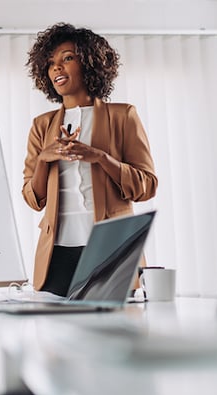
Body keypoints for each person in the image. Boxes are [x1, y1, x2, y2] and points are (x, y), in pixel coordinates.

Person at [22, 22, 158, 297]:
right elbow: (33, 198)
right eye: (50, 64)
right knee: (55, 336)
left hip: (111, 248)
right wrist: (44, 160)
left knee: (114, 334)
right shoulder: (41, 125)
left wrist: (101, 158)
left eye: (67, 58)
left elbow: (147, 186)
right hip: (56, 254)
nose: (57, 68)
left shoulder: (123, 115)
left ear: (90, 63)